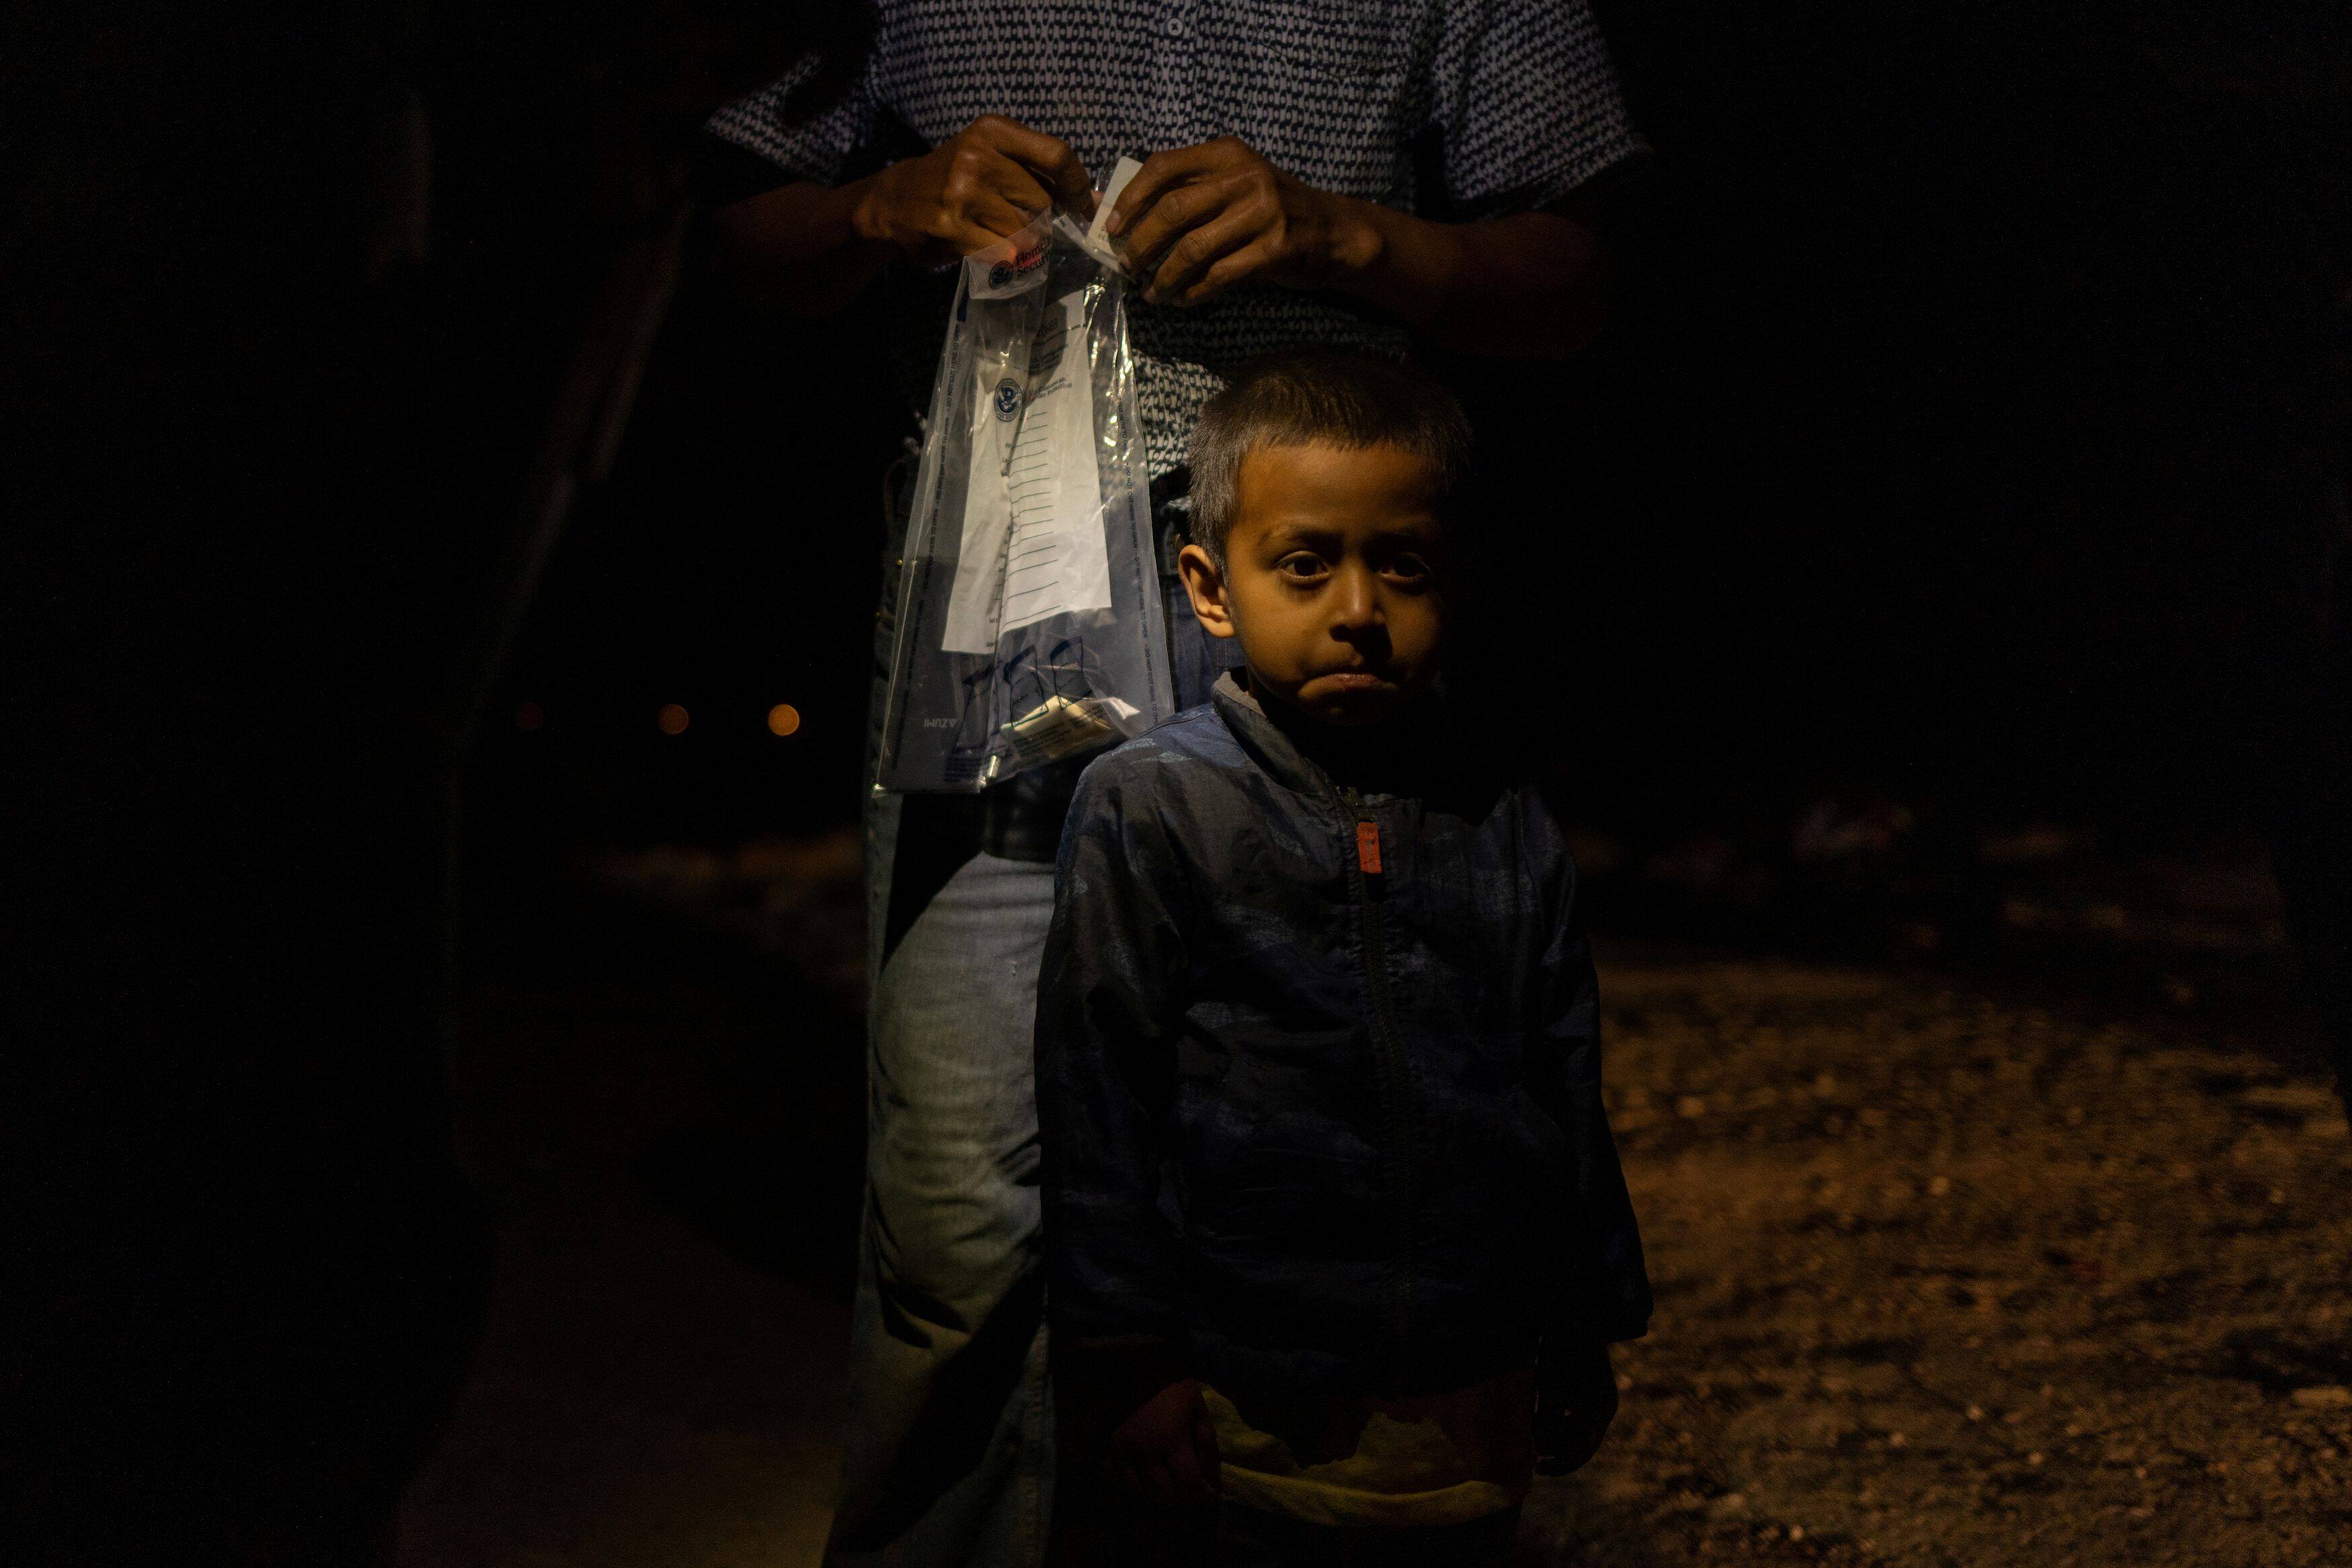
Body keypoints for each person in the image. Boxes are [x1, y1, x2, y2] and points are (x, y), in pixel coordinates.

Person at [700, 7, 1648, 1561]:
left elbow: (1581, 268)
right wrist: (883, 205)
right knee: (963, 1225)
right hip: (994, 621)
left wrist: (1349, 237)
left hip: (1316, 631)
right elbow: (739, 225)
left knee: (1354, 1154)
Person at [1035, 349, 1650, 1565]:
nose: (1359, 607)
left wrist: (1583, 1325)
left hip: (1469, 1403)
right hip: (1241, 1404)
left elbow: (1563, 1079)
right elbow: (1096, 1099)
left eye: (1401, 563)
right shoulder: (1151, 805)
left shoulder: (1500, 805)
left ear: (1452, 576)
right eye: (1306, 563)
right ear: (1210, 587)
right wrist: (1130, 1361)